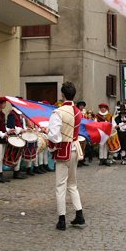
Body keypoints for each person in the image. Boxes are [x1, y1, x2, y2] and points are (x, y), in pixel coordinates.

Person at [47, 81, 86, 231]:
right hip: (75, 149)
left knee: (60, 186)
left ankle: (61, 219)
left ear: (62, 94)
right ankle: (79, 214)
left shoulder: (58, 112)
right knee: (72, 184)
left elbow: (54, 136)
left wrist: (50, 138)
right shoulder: (78, 112)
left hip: (64, 150)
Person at [7, 105, 27, 179]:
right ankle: (15, 172)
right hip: (15, 136)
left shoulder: (18, 114)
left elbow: (22, 125)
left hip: (19, 136)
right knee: (15, 155)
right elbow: (11, 126)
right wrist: (20, 130)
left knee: (19, 155)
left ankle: (17, 171)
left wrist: (24, 129)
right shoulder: (12, 114)